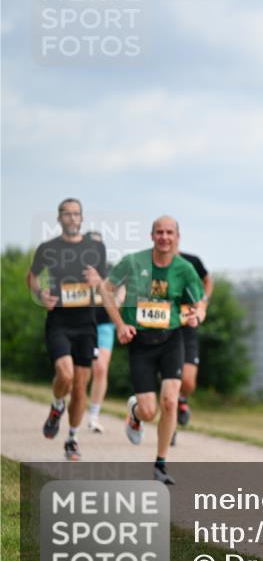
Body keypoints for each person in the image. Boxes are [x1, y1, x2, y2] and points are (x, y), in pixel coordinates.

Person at [90, 216, 205, 484]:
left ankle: (161, 464)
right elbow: (106, 290)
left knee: (170, 400)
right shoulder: (133, 262)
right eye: (159, 232)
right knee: (149, 411)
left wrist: (195, 316)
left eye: (169, 232)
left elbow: (198, 303)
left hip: (171, 340)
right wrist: (119, 324)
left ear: (177, 236)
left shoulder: (184, 269)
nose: (164, 237)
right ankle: (135, 413)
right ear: (151, 236)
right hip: (140, 344)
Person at [27, 199, 107, 460]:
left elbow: (105, 283)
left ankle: (72, 438)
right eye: (67, 214)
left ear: (82, 218)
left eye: (76, 214)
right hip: (59, 321)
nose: (72, 218)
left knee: (81, 385)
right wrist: (40, 295)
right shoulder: (48, 248)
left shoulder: (96, 248)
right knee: (65, 375)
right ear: (59, 218)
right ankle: (57, 405)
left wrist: (99, 281)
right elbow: (32, 276)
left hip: (86, 323)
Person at [173, 249, 212, 444]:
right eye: (160, 233)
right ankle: (170, 428)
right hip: (165, 329)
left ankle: (182, 399)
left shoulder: (192, 261)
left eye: (170, 233)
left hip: (187, 327)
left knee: (188, 382)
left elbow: (207, 280)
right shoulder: (152, 264)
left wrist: (203, 300)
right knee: (171, 381)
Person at [83, 231, 116, 433]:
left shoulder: (110, 271)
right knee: (79, 373)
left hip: (104, 324)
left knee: (101, 368)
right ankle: (61, 404)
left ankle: (94, 415)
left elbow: (118, 298)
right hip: (80, 324)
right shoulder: (73, 270)